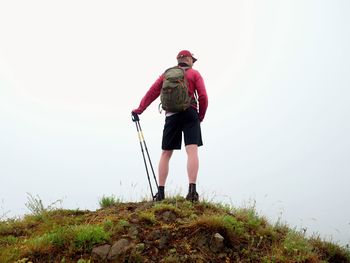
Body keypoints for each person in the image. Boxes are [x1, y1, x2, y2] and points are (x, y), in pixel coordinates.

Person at [132, 50, 208, 202]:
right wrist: (200, 116)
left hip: (171, 115)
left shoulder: (167, 75)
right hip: (190, 113)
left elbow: (152, 92)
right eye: (192, 59)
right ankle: (192, 192)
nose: (193, 62)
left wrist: (139, 109)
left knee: (166, 153)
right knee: (192, 151)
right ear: (188, 59)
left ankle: (160, 193)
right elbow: (203, 96)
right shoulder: (194, 74)